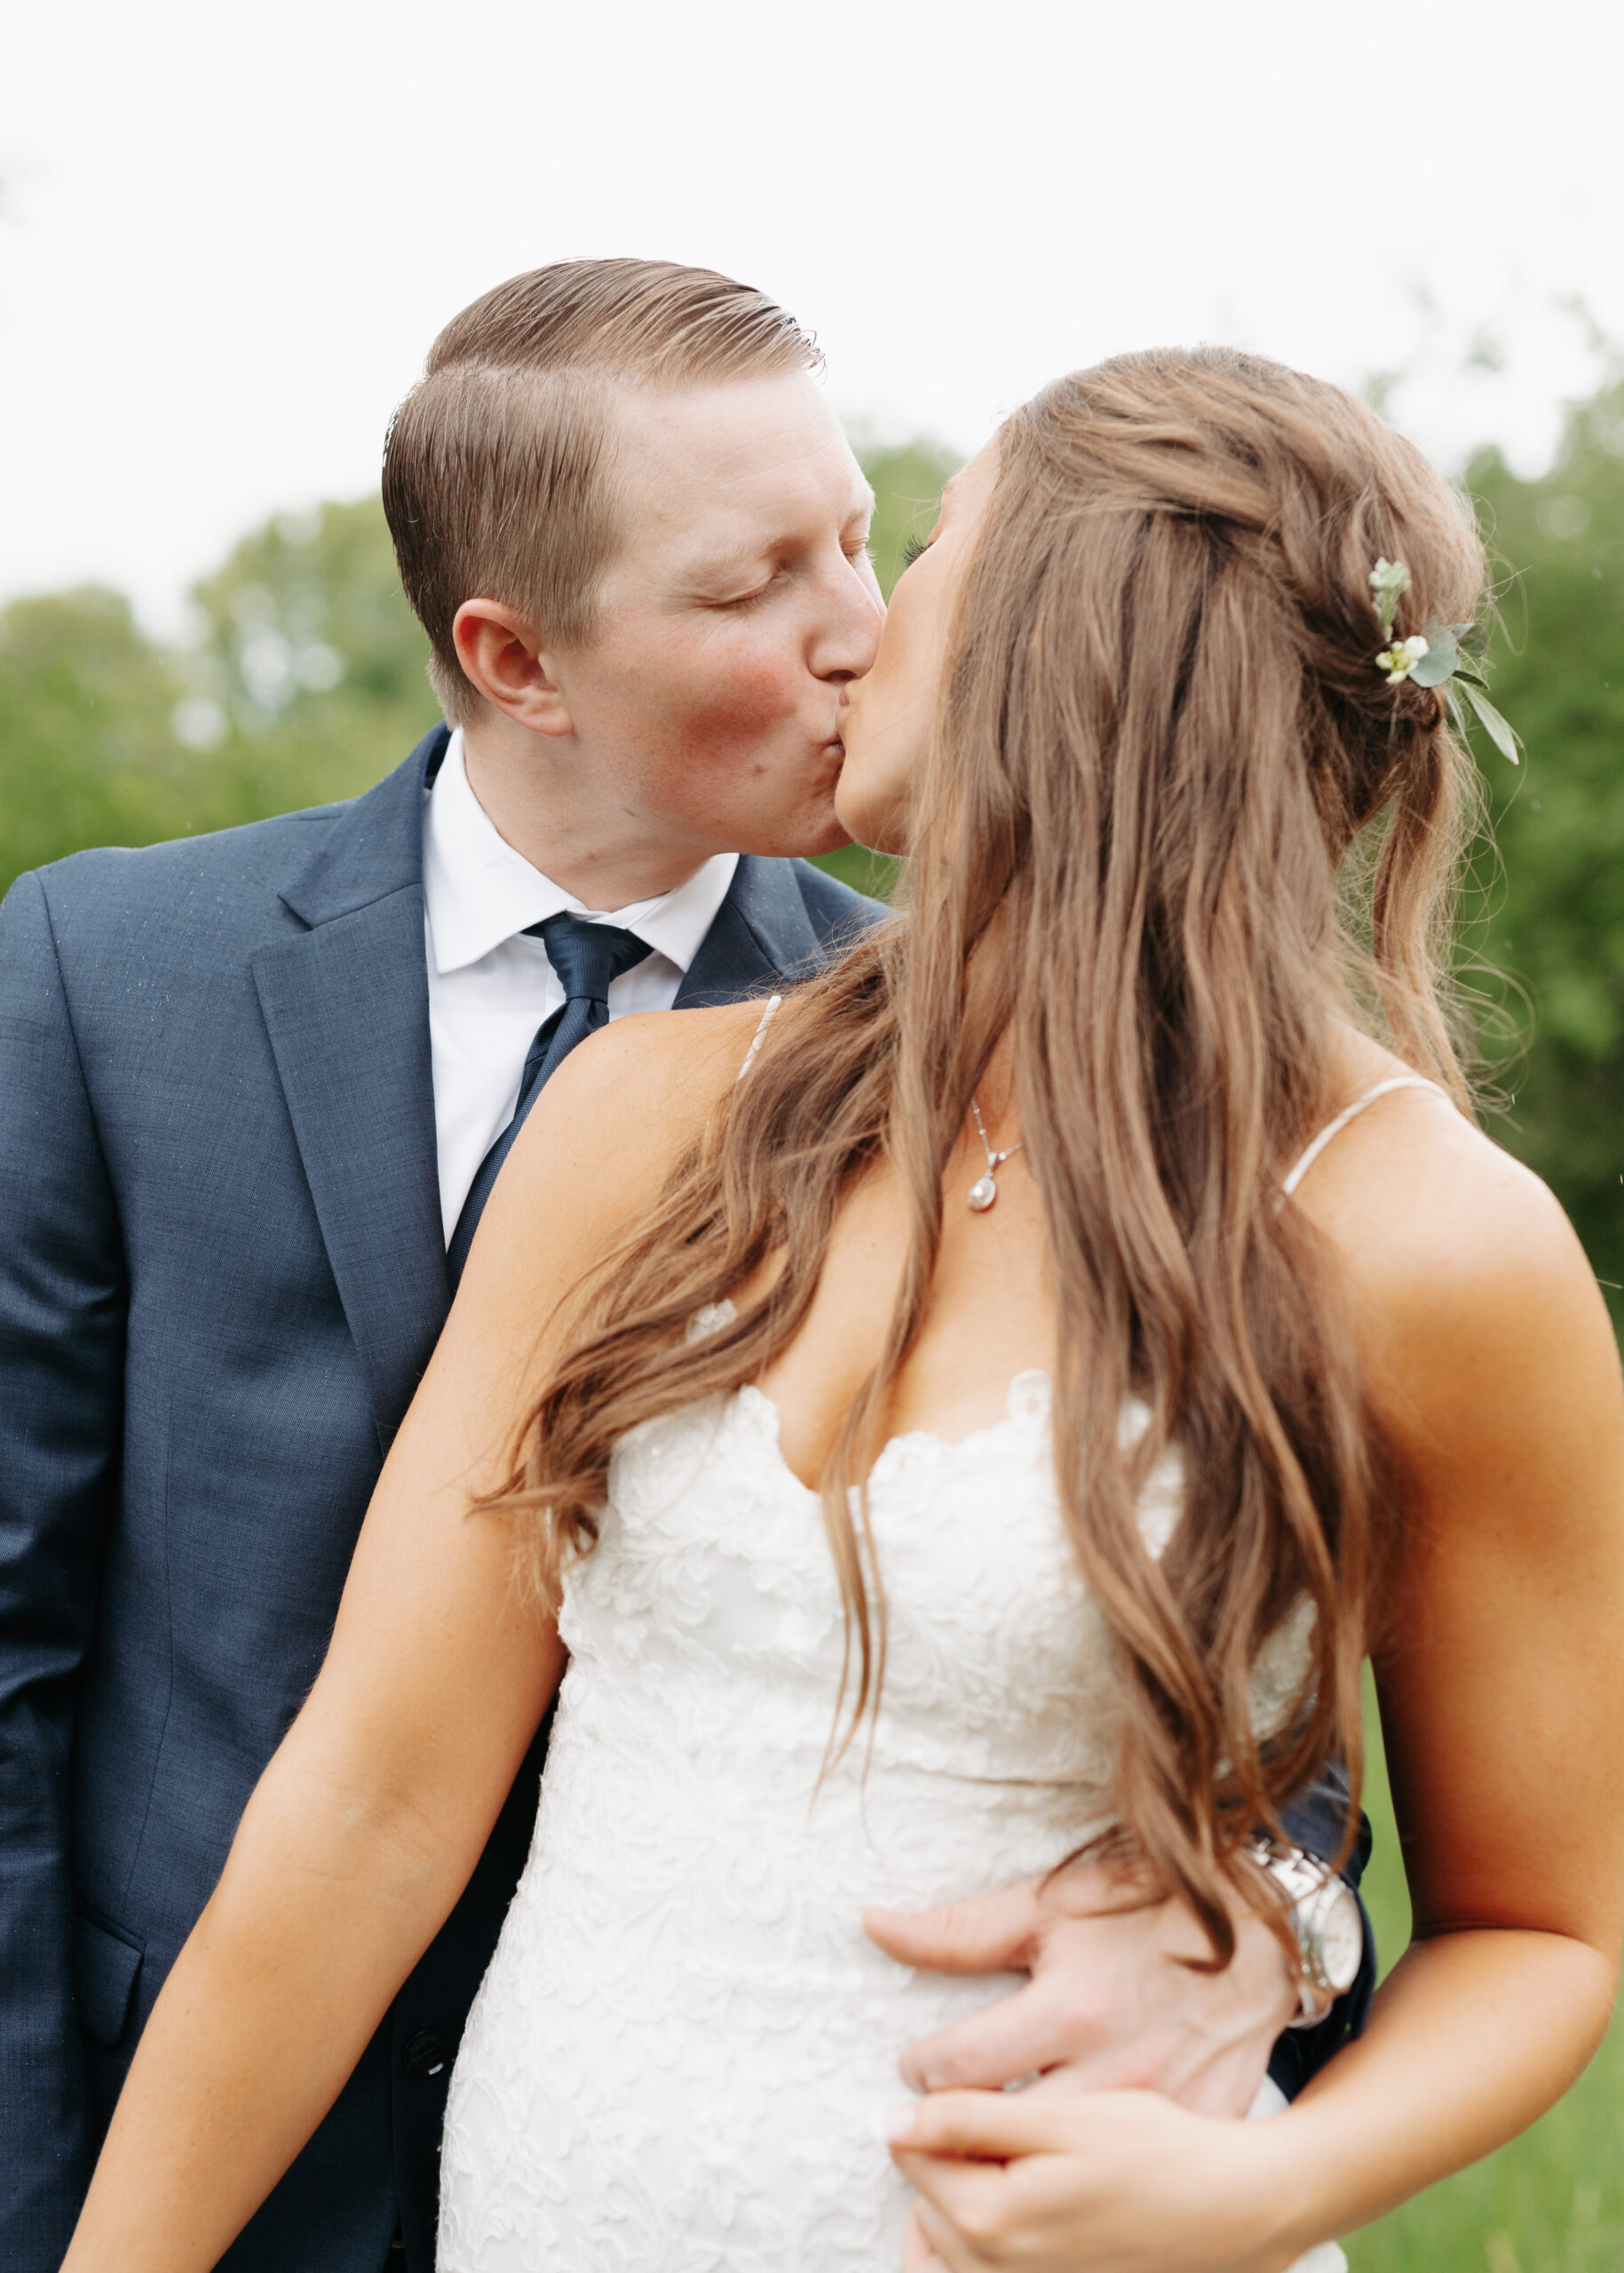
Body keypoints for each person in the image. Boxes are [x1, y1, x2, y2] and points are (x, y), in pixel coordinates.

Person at [59, 346, 1624, 2271]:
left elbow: (1541, 1928)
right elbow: (368, 1801)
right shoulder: (650, 1117)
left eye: (924, 540)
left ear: (1057, 655)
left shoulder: (1435, 1245)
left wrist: (1264, 2180)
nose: (860, 630)